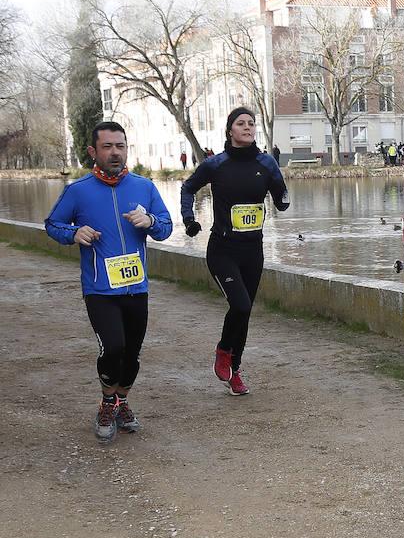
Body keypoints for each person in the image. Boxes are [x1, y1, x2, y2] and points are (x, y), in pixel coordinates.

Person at [45, 121, 173, 441]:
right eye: (108, 147)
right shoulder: (78, 190)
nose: (115, 153)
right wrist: (74, 233)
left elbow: (166, 227)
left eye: (120, 146)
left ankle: (122, 401)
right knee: (113, 347)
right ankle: (107, 401)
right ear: (93, 151)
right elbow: (52, 224)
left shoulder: (144, 187)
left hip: (136, 287)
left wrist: (151, 221)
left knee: (132, 355)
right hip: (100, 289)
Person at [180, 107, 290, 395]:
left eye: (251, 123)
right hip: (223, 250)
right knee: (240, 305)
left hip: (253, 250)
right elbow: (188, 188)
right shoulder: (216, 164)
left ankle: (235, 370)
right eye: (241, 123)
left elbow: (281, 196)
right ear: (230, 130)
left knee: (245, 312)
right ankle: (223, 352)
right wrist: (189, 219)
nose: (248, 127)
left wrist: (282, 196)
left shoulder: (266, 163)